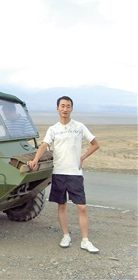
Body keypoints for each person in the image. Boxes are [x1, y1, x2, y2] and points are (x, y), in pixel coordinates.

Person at [27, 96, 100, 253]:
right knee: (62, 205)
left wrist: (82, 158)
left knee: (81, 207)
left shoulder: (79, 127)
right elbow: (44, 145)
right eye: (62, 106)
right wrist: (34, 160)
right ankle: (65, 235)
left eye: (68, 106)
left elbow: (95, 144)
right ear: (57, 108)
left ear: (71, 109)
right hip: (59, 173)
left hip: (75, 173)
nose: (65, 109)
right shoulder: (53, 129)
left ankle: (85, 240)